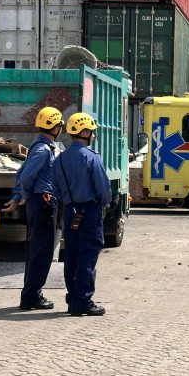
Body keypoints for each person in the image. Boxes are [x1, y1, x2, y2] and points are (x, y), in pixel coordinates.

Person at [52, 112, 113, 317]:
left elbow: (56, 189)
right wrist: (105, 203)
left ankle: (73, 297)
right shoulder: (91, 157)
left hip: (70, 211)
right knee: (88, 255)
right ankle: (83, 300)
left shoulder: (59, 160)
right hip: (89, 211)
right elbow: (103, 189)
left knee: (71, 254)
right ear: (84, 132)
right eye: (92, 132)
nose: (93, 136)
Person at [4, 106, 64, 311]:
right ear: (55, 128)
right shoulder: (43, 150)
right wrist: (25, 195)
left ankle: (31, 293)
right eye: (60, 126)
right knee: (42, 251)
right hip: (43, 203)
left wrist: (18, 196)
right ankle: (32, 295)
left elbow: (21, 173)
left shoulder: (37, 147)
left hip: (40, 202)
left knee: (37, 249)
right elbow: (27, 176)